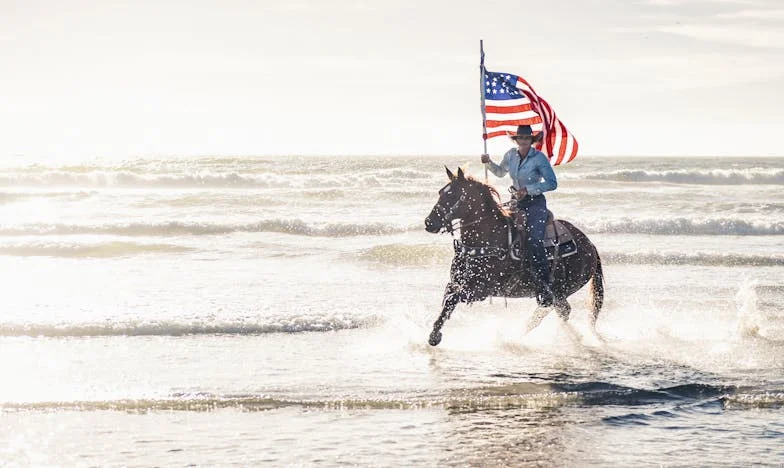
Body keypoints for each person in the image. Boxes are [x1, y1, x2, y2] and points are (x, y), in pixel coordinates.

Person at [481, 125, 557, 307]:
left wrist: (528, 190)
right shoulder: (510, 155)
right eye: (520, 138)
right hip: (516, 201)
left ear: (532, 140)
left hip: (535, 203)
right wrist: (488, 163)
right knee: (501, 233)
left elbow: (552, 183)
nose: (523, 140)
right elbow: (500, 172)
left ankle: (545, 286)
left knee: (534, 240)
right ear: (516, 140)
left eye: (527, 138)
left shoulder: (539, 158)